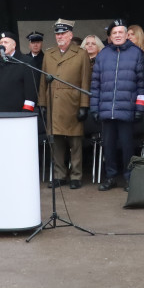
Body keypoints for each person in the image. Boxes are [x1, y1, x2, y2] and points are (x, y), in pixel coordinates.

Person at [90, 19, 144, 191]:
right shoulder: (102, 55)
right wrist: (94, 107)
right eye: (114, 33)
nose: (117, 35)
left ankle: (129, 178)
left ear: (126, 35)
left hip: (127, 110)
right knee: (108, 146)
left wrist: (140, 107)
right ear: (110, 36)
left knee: (127, 146)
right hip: (106, 111)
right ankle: (111, 177)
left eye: (120, 32)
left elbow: (141, 84)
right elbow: (95, 84)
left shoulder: (137, 53)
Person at [39, 19, 92, 189]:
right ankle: (59, 175)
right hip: (53, 102)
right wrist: (42, 102)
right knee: (56, 142)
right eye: (57, 34)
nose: (59, 36)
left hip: (73, 102)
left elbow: (85, 81)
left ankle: (76, 175)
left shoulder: (81, 53)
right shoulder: (49, 54)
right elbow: (42, 81)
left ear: (70, 35)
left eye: (63, 33)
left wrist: (84, 105)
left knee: (75, 142)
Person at [0, 31, 38, 113]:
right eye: (1, 42)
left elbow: (31, 91)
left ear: (14, 45)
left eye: (6, 42)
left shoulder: (26, 61)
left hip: (18, 113)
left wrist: (26, 112)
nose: (3, 45)